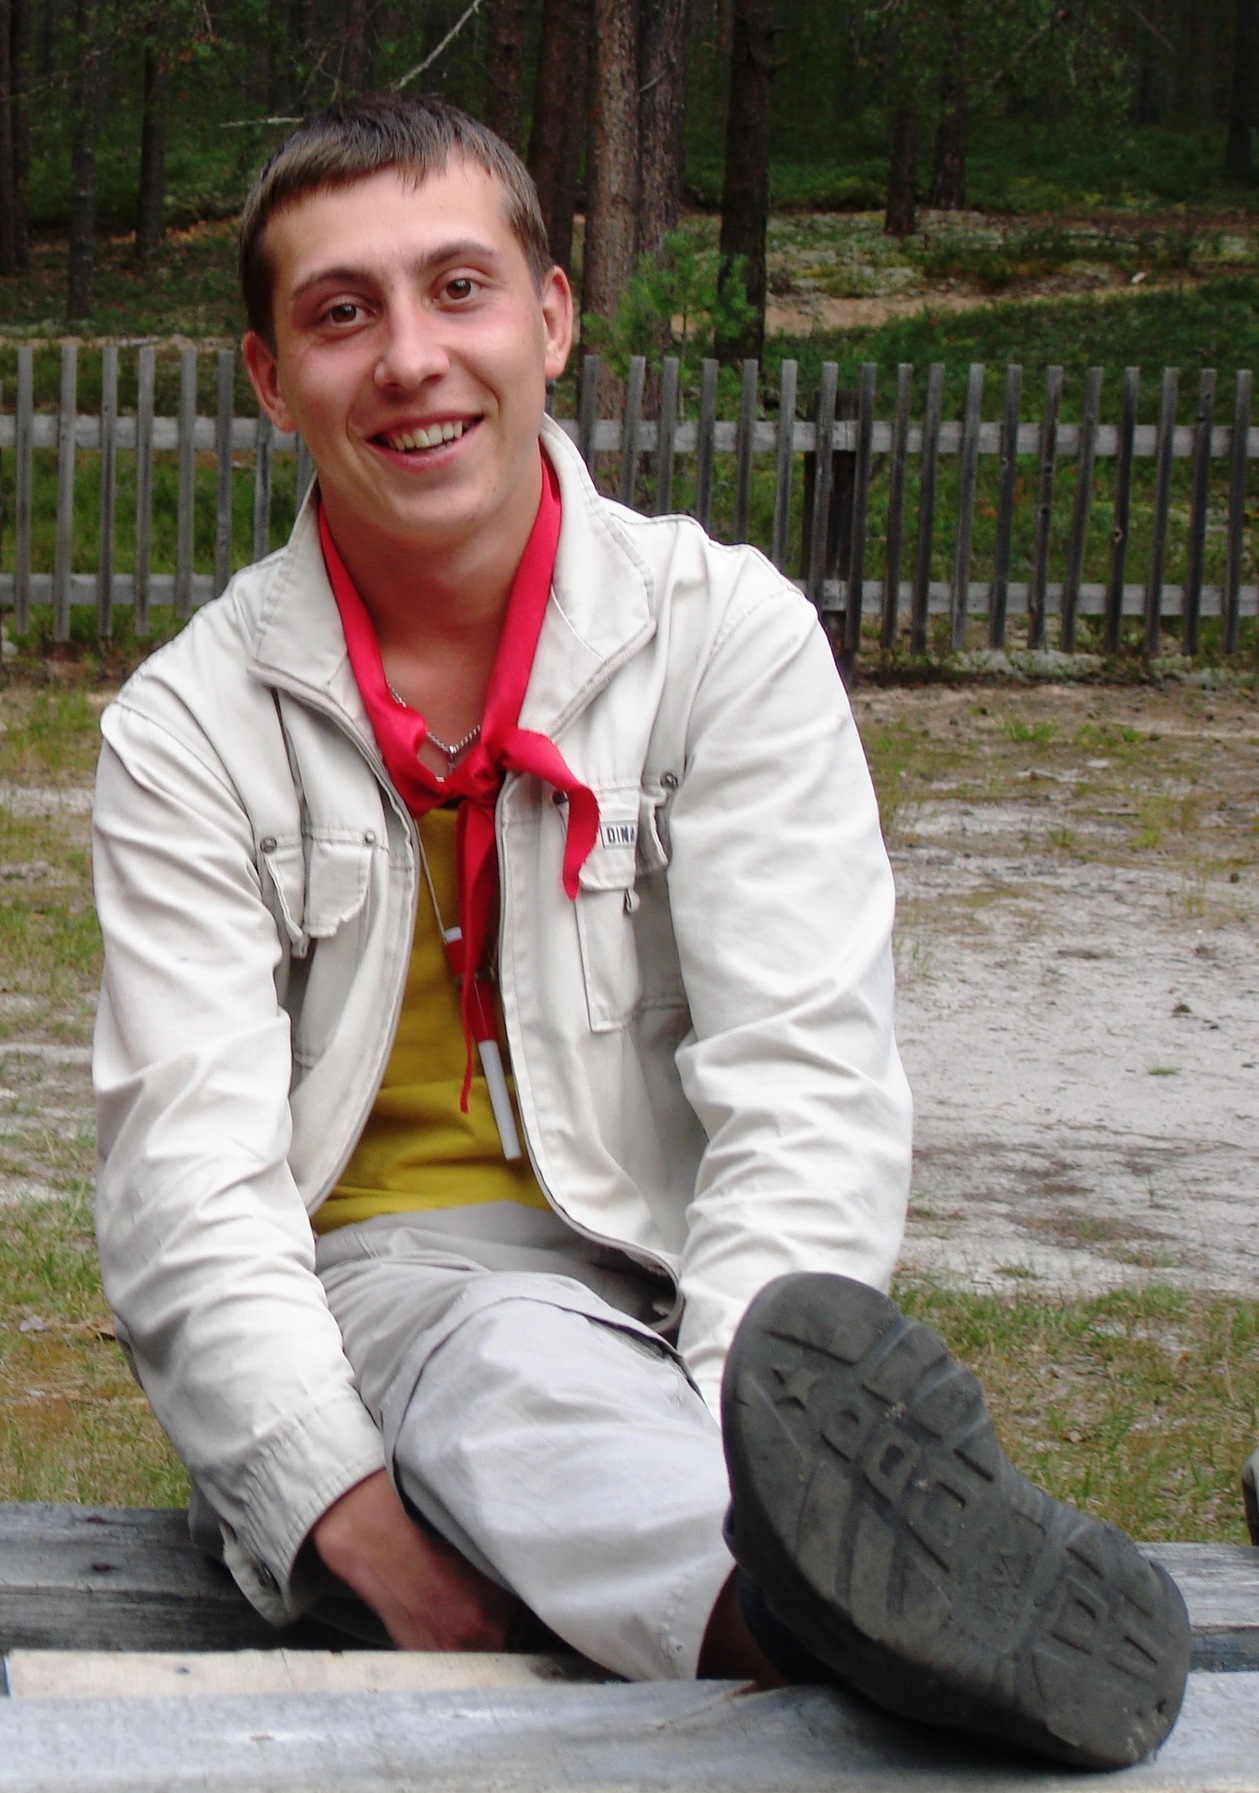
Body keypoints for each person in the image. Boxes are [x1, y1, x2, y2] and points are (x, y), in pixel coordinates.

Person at [92, 94, 1189, 1770]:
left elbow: (804, 1079)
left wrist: (751, 1421)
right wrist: (354, 1520)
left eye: (459, 288)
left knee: (577, 1390)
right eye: (342, 313)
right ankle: (805, 1622)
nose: (411, 358)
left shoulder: (725, 639)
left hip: (673, 1303)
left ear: (553, 316)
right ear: (268, 374)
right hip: (369, 1306)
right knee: (508, 1359)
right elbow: (188, 1189)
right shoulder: (190, 728)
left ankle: (837, 1572)